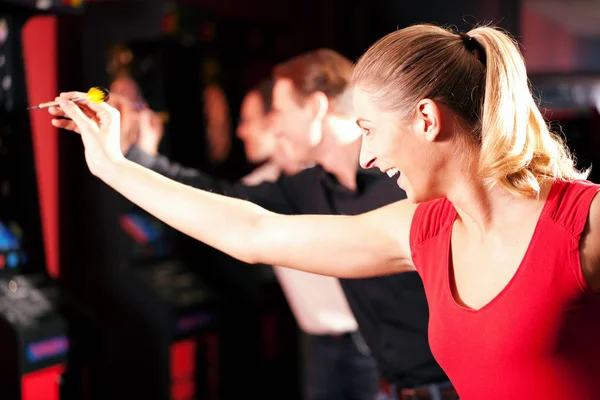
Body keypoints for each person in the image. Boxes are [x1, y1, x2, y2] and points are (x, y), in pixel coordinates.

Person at [51, 23, 600, 399]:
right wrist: (113, 167)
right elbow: (254, 232)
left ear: (426, 119)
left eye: (368, 131)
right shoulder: (422, 232)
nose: (366, 155)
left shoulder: (584, 224)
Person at [117, 61, 389, 399]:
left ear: (316, 107)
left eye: (278, 111)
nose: (273, 127)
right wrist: (131, 158)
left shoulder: (396, 177)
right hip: (343, 352)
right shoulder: (303, 186)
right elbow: (218, 200)